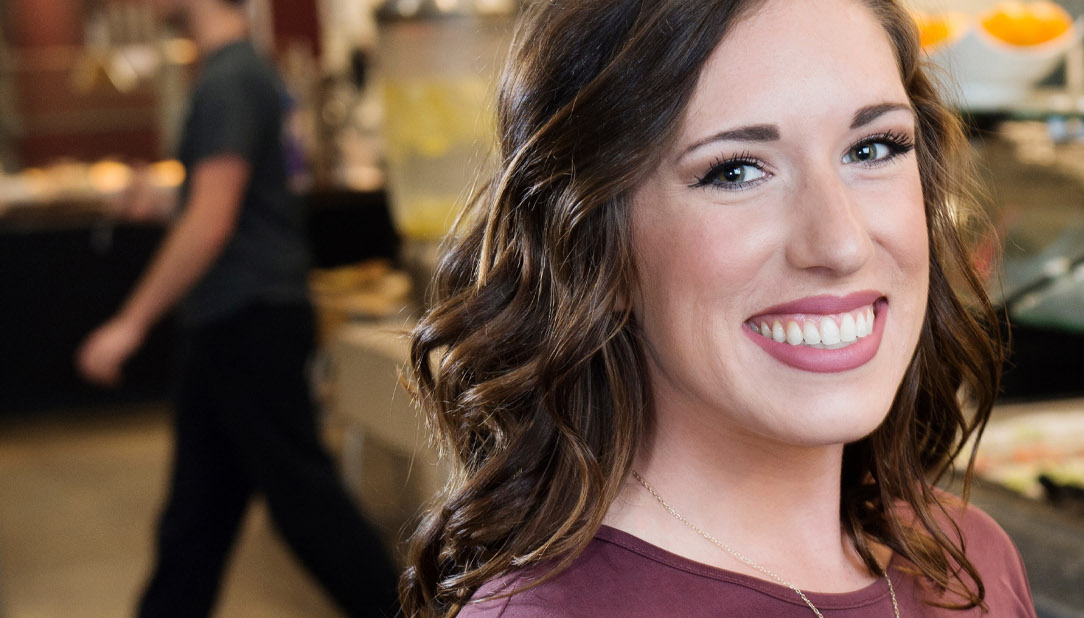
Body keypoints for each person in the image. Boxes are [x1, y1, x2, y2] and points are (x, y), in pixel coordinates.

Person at [401, 0, 1033, 616]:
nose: (841, 243)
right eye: (735, 171)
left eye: (871, 149)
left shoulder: (971, 561)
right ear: (594, 244)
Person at [75, 0, 399, 616]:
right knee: (196, 522)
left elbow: (212, 220)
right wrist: (161, 200)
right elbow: (222, 202)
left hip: (247, 321)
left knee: (306, 509)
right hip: (233, 320)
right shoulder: (235, 72)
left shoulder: (231, 79)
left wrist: (129, 322)